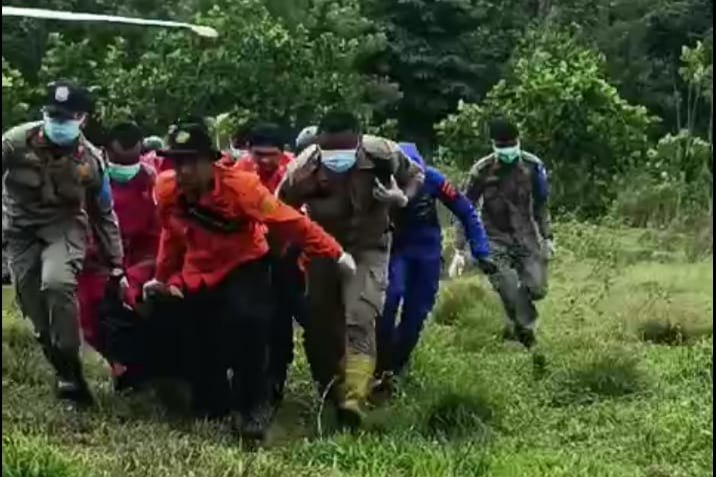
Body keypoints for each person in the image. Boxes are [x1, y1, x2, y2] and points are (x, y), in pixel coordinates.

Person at [142, 120, 354, 440]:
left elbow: (290, 221)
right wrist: (161, 278)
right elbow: (171, 238)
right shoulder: (167, 190)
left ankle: (253, 405)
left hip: (245, 263)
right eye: (177, 162)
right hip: (199, 270)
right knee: (196, 329)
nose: (183, 170)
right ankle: (209, 400)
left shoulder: (242, 188)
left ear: (210, 161)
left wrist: (336, 253)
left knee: (249, 324)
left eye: (191, 162)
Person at [277, 111, 423, 427]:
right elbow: (280, 207)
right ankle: (331, 388)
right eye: (330, 151)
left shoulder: (383, 152)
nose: (337, 159)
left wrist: (400, 197)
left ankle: (354, 398)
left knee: (360, 315)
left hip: (370, 246)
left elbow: (415, 176)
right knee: (321, 321)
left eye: (345, 151)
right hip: (323, 249)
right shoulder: (302, 169)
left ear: (359, 141)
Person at [2, 81, 125, 407]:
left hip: (64, 227)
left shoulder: (91, 161)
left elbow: (103, 211)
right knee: (35, 310)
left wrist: (115, 262)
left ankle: (69, 360)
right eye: (53, 116)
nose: (59, 123)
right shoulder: (14, 143)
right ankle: (67, 374)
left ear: (82, 119)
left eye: (67, 118)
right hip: (20, 230)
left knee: (57, 284)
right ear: (44, 114)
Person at [376, 143, 495, 382]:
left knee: (417, 312)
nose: (416, 177)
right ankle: (379, 361)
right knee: (387, 301)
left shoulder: (433, 179)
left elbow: (465, 210)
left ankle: (395, 366)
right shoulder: (380, 180)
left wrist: (481, 250)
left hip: (427, 250)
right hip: (394, 249)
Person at [450, 118, 554, 348]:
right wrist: (459, 248)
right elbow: (464, 207)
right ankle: (526, 334)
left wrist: (547, 237)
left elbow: (541, 204)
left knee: (537, 289)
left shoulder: (533, 166)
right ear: (493, 144)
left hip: (526, 237)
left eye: (511, 144)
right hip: (494, 238)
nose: (507, 150)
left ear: (519, 141)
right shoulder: (481, 170)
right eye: (502, 146)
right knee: (508, 285)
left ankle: (514, 321)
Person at [77, 121, 159, 391]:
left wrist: (133, 273)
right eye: (120, 162)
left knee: (139, 305)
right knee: (91, 311)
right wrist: (109, 266)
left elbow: (156, 237)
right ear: (105, 152)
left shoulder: (151, 181)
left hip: (137, 261)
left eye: (131, 161)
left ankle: (137, 369)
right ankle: (109, 366)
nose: (126, 169)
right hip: (96, 261)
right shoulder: (89, 180)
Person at [235, 122, 303, 407]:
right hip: (250, 252)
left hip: (288, 252)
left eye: (270, 155)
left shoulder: (297, 171)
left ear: (282, 152)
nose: (264, 161)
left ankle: (277, 375)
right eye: (258, 154)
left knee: (281, 315)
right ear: (249, 151)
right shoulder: (239, 171)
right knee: (250, 315)